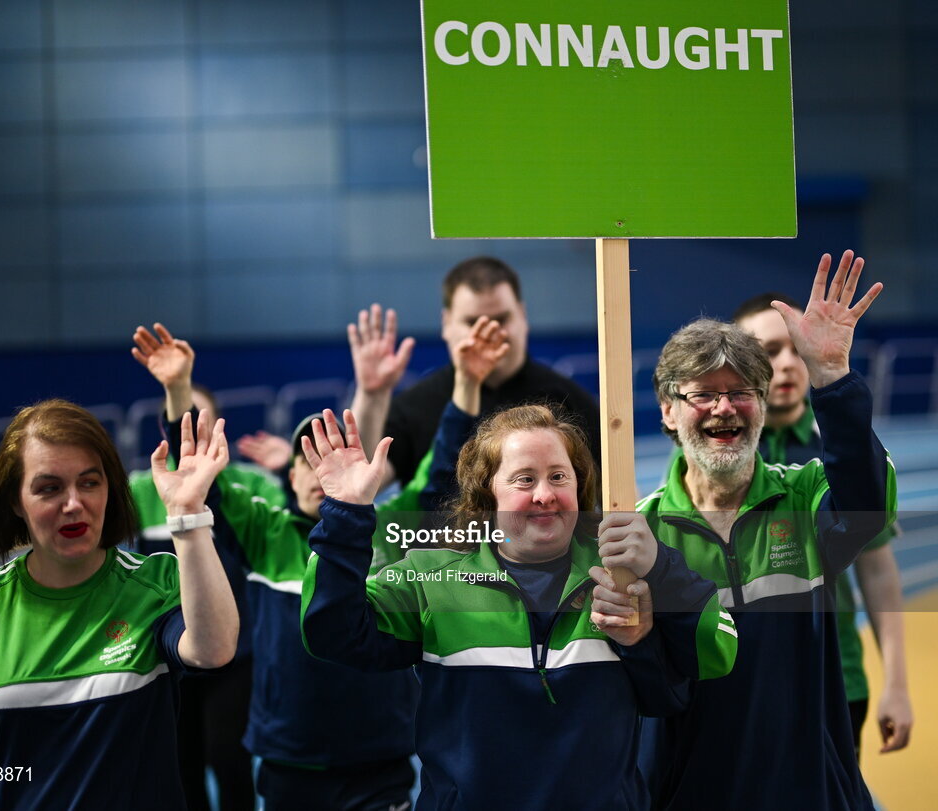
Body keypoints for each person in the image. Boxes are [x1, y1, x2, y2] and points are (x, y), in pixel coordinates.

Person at [133, 313, 511, 810]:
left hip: (380, 759)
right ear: (288, 477)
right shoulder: (264, 531)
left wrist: (467, 381)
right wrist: (179, 389)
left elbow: (443, 473)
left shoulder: (388, 528)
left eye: (329, 460)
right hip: (289, 760)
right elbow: (202, 479)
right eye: (306, 461)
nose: (318, 472)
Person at [299, 401, 738, 810]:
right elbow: (333, 633)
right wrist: (347, 514)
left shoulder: (624, 573)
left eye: (559, 477)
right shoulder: (432, 579)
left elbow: (695, 672)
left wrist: (644, 628)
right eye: (524, 479)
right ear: (487, 495)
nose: (545, 494)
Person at [638, 250, 896, 809]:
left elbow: (867, 506)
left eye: (741, 392)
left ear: (761, 403)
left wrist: (832, 379)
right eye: (702, 394)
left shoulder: (803, 496)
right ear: (667, 411)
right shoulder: (641, 533)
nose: (723, 408)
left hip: (810, 792)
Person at [0, 399, 238, 810]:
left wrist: (188, 514)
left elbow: (213, 650)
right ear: (15, 501)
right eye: (49, 488)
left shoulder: (153, 586)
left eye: (89, 482)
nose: (74, 503)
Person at [733, 291, 912, 756]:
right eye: (770, 351)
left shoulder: (842, 448)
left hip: (836, 680)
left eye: (796, 347)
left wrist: (896, 681)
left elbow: (877, 568)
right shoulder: (712, 458)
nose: (789, 363)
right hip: (741, 684)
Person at [127, 377, 281, 811]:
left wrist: (289, 468)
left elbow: (295, 516)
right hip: (166, 655)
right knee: (179, 764)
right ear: (167, 428)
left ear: (218, 427)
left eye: (201, 419)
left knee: (229, 758)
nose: (190, 428)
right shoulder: (142, 489)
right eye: (180, 419)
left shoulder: (250, 486)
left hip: (236, 652)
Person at [370, 256, 601, 489]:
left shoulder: (571, 403)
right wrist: (372, 395)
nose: (489, 332)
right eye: (473, 322)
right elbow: (366, 485)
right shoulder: (414, 406)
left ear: (523, 315)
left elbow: (619, 498)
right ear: (446, 323)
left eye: (501, 319)